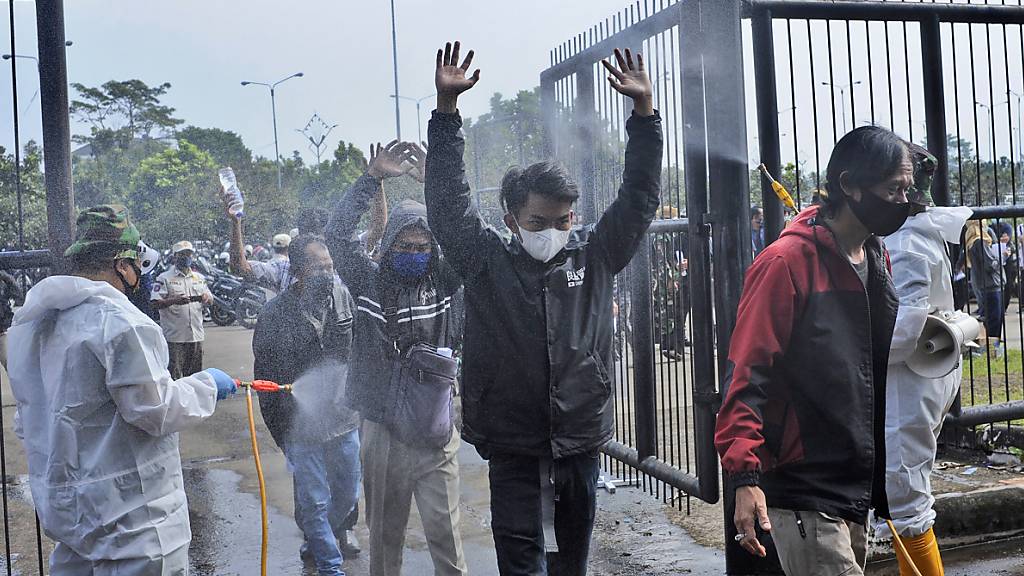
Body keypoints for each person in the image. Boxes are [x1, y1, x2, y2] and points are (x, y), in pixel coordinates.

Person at [424, 42, 662, 575]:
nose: (551, 232)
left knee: (571, 558)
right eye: (537, 222)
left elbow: (640, 196)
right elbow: (445, 202)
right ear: (511, 219)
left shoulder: (596, 254)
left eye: (562, 220)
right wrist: (446, 114)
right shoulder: (483, 259)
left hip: (579, 430)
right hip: (510, 434)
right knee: (521, 553)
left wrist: (644, 117)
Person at [715, 126, 906, 576]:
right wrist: (745, 476)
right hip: (805, 483)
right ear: (850, 186)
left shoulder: (876, 257)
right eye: (893, 188)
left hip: (856, 483)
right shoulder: (785, 263)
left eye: (907, 188)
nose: (904, 200)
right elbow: (747, 373)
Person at [5, 204, 237, 574]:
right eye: (137, 268)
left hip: (72, 522)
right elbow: (156, 410)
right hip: (135, 527)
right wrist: (208, 385)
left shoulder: (34, 326)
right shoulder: (121, 323)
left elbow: (28, 420)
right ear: (121, 264)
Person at [326, 139, 468, 576]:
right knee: (385, 537)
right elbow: (337, 235)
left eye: (421, 245)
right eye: (403, 246)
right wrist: (371, 180)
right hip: (383, 431)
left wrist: (439, 187)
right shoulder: (367, 282)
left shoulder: (443, 280)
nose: (413, 253)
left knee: (446, 533)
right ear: (388, 247)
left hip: (434, 427)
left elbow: (471, 239)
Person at [874, 142, 972, 576]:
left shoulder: (906, 240)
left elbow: (906, 328)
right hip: (920, 377)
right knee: (901, 486)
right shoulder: (916, 229)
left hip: (910, 379)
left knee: (904, 488)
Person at [253, 234, 361, 576]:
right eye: (319, 268)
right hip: (300, 427)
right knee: (313, 501)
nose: (328, 273)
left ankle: (318, 539)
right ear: (298, 271)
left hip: (343, 420)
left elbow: (358, 353)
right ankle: (331, 566)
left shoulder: (344, 298)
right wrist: (282, 436)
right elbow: (265, 382)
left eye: (330, 266)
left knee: (346, 495)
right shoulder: (274, 315)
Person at [151, 241, 213, 379]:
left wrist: (206, 298)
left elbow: (210, 299)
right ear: (175, 257)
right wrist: (174, 301)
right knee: (175, 377)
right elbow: (154, 303)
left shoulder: (199, 278)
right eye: (182, 254)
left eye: (189, 254)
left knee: (195, 378)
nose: (186, 257)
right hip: (175, 337)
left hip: (196, 336)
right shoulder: (164, 278)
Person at [965, 219, 1005, 358]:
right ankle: (993, 350)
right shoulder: (979, 241)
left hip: (985, 285)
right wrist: (1002, 256)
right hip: (990, 286)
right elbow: (990, 264)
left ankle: (991, 349)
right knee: (994, 320)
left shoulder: (973, 242)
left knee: (991, 318)